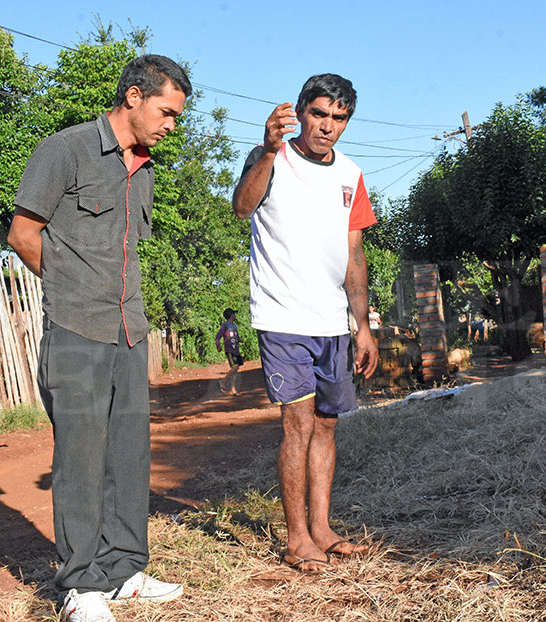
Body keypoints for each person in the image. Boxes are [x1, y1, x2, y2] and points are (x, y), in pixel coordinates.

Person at [7, 54, 191, 622]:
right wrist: (70, 287)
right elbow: (22, 233)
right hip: (75, 325)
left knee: (129, 455)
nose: (170, 126)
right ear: (133, 97)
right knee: (81, 459)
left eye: (177, 117)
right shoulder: (65, 150)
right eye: (165, 112)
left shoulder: (148, 170)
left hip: (129, 329)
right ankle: (81, 586)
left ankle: (124, 571)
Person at [231, 73, 379, 572]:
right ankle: (297, 540)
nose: (328, 126)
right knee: (297, 424)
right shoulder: (271, 159)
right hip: (282, 315)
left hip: (333, 322)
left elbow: (354, 254)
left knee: (326, 425)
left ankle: (322, 528)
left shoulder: (351, 174)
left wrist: (362, 325)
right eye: (319, 114)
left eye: (339, 118)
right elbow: (241, 207)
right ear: (300, 112)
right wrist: (269, 149)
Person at [215, 308, 244, 395]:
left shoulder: (234, 326)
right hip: (230, 350)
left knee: (236, 369)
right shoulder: (225, 325)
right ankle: (223, 381)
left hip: (236, 350)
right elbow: (218, 337)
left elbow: (236, 337)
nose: (235, 315)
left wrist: (239, 339)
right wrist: (218, 346)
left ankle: (233, 389)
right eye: (234, 314)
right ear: (231, 315)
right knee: (234, 367)